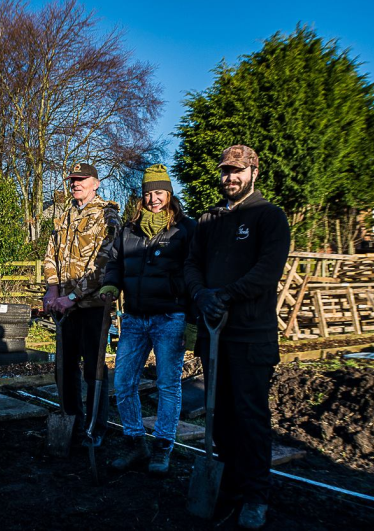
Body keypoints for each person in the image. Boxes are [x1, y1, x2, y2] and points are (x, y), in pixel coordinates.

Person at [185, 145, 290, 529]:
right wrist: (200, 295)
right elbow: (192, 263)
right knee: (221, 416)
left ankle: (255, 495)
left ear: (254, 173)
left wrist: (226, 295)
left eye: (238, 171)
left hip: (250, 336)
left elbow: (267, 271)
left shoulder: (269, 217)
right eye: (226, 171)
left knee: (251, 417)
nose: (231, 177)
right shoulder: (209, 219)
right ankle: (226, 487)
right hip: (214, 334)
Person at [100, 164, 197, 476]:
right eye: (148, 193)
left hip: (170, 318)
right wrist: (111, 283)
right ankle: (134, 441)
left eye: (159, 192)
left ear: (169, 194)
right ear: (141, 197)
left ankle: (163, 445)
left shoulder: (185, 230)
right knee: (123, 381)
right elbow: (115, 262)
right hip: (135, 318)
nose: (154, 198)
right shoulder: (129, 230)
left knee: (168, 384)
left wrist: (192, 323)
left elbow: (196, 273)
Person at [43, 162, 121, 447]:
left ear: (96, 183)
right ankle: (72, 424)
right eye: (73, 180)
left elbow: (104, 265)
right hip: (64, 309)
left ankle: (95, 428)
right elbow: (51, 254)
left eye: (82, 179)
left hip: (92, 307)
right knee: (64, 369)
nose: (76, 184)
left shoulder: (107, 216)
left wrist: (72, 296)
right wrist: (53, 290)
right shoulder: (63, 216)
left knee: (94, 371)